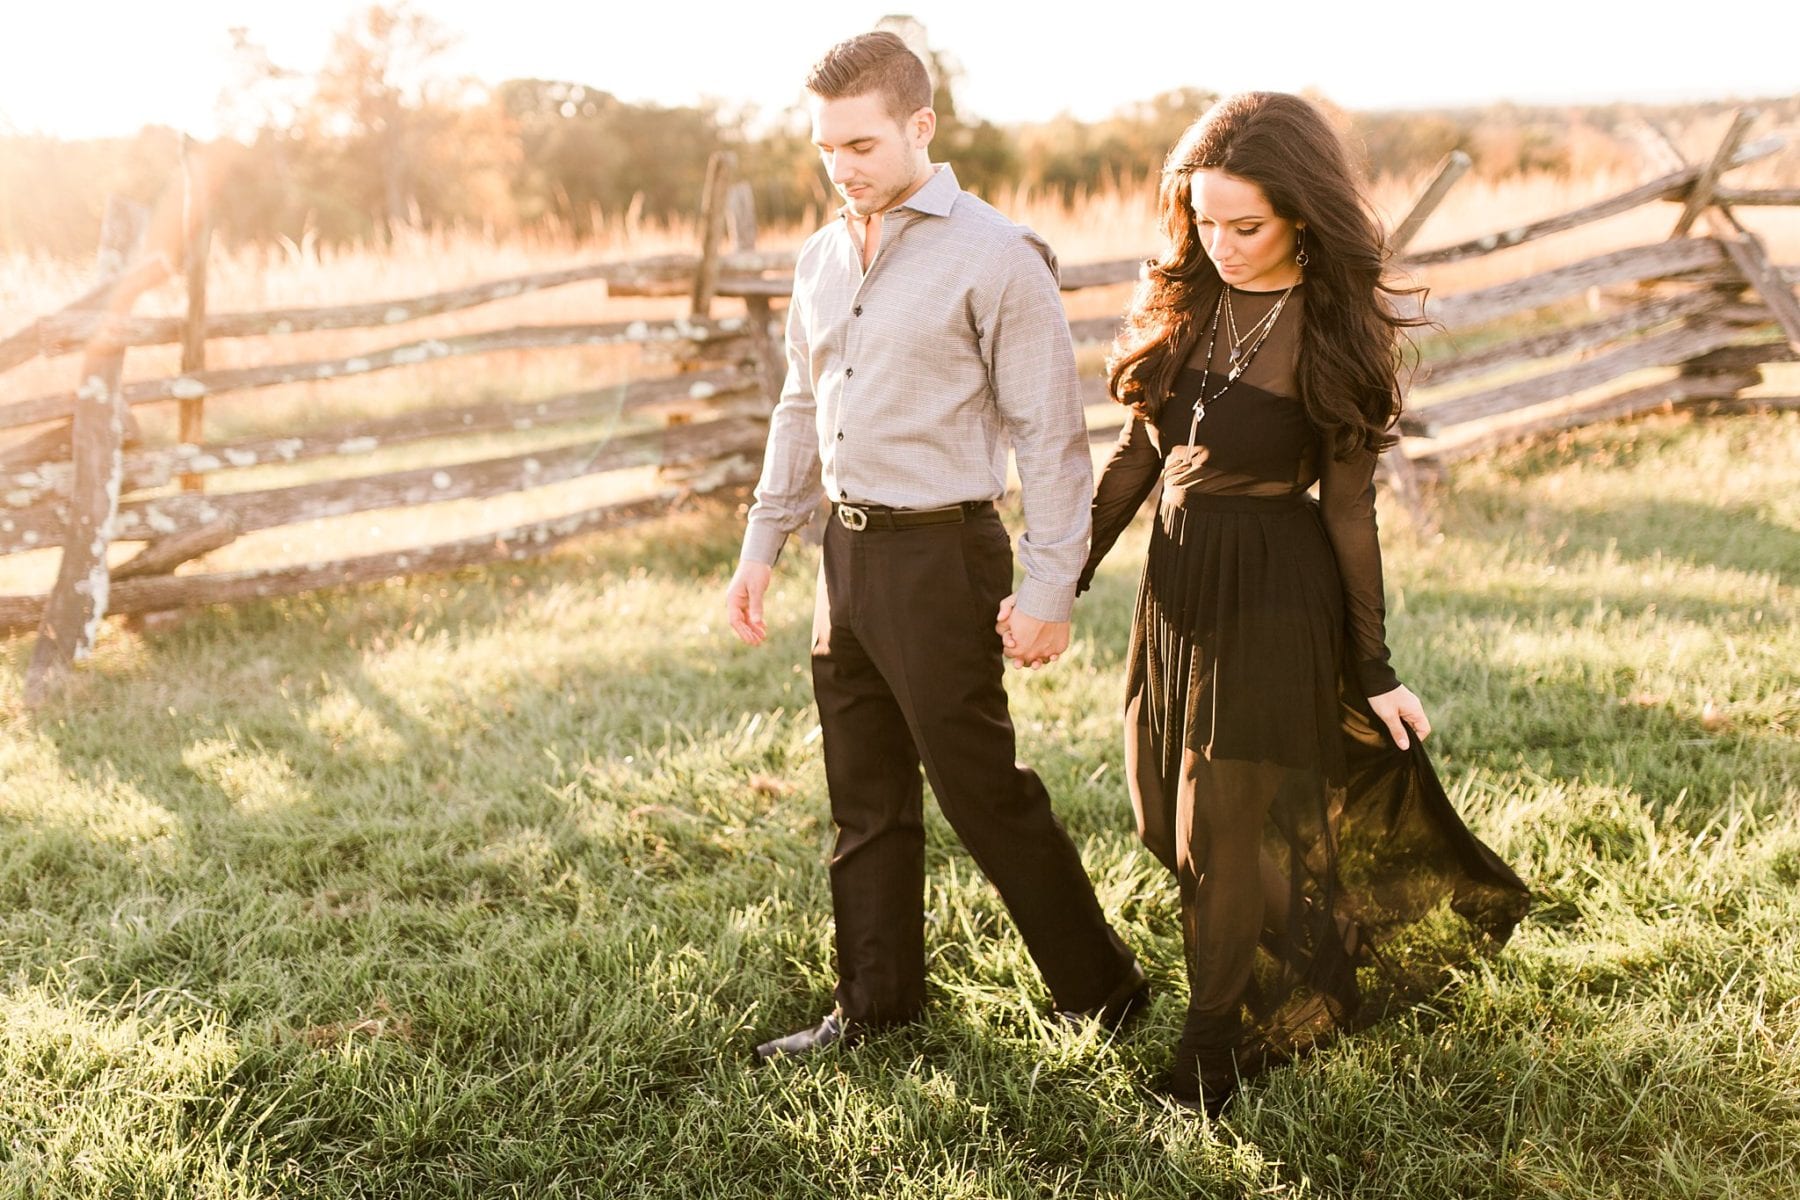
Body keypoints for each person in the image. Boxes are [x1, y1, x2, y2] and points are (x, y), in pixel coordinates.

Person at [1055, 92, 1531, 1115]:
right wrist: (1066, 570)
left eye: (1247, 225)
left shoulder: (1334, 333)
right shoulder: (1190, 298)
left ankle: (1210, 1052)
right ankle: (1325, 951)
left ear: (1302, 216)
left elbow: (1351, 512)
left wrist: (1376, 668)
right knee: (1160, 820)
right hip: (1176, 592)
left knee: (1221, 835)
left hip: (1276, 591)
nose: (1221, 243)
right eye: (1205, 219)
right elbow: (1143, 451)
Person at [724, 30, 1145, 1060]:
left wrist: (1051, 585)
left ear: (921, 126)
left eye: (862, 144)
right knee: (863, 799)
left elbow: (1052, 436)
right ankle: (876, 1007)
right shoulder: (821, 258)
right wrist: (763, 542)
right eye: (827, 148)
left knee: (982, 794)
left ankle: (1104, 994)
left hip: (944, 555)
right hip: (847, 557)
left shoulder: (997, 256)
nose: (843, 167)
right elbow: (797, 404)